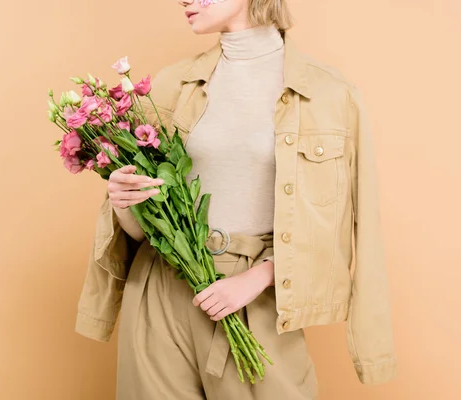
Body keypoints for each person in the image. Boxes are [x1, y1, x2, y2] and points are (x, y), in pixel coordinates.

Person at [75, 0, 398, 399]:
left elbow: (348, 223)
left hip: (259, 297)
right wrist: (124, 201)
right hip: (161, 290)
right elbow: (145, 229)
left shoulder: (331, 95)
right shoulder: (169, 86)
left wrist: (258, 277)